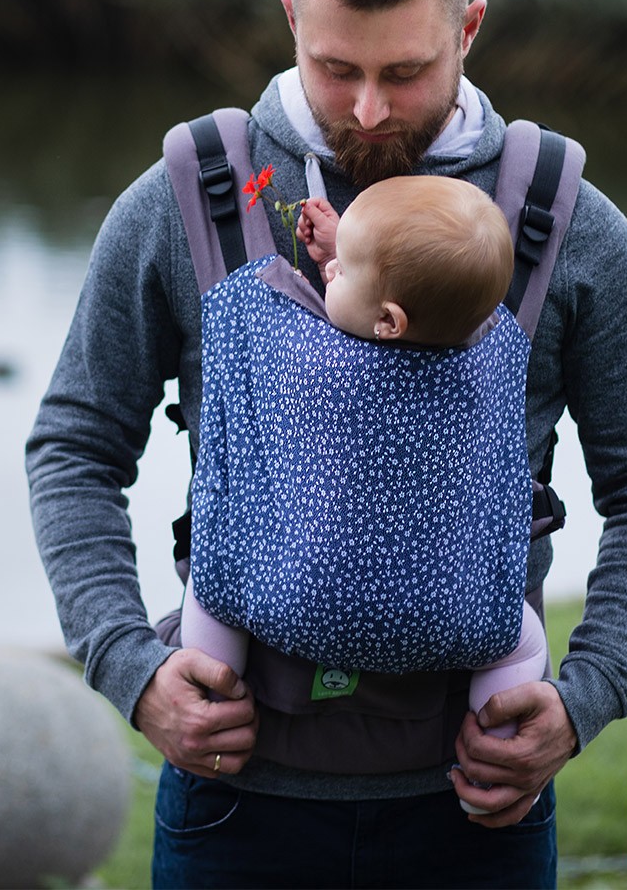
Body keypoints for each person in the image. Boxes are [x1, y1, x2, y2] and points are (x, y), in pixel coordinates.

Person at [25, 0, 627, 890]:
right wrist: (131, 667)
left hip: (473, 813)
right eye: (337, 69)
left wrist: (584, 695)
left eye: (406, 71)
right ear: (291, 16)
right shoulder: (189, 198)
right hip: (234, 808)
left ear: (466, 29)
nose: (371, 111)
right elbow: (75, 446)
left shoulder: (564, 223)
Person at [180, 176, 547, 764]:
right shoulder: (491, 355)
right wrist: (344, 249)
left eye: (342, 271)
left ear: (390, 321)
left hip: (294, 601)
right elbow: (393, 305)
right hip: (456, 614)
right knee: (520, 645)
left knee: (213, 586)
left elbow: (266, 304)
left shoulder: (296, 351)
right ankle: (494, 758)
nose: (328, 274)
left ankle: (210, 694)